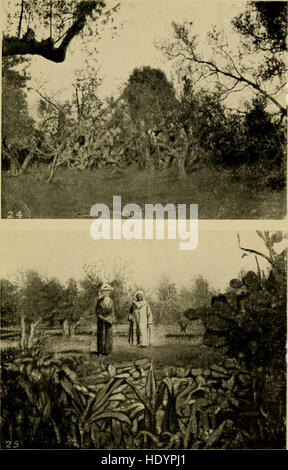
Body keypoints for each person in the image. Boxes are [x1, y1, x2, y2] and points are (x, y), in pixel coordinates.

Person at [95, 283, 115, 355]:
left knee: (109, 336)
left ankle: (108, 351)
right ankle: (100, 351)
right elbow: (98, 313)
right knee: (101, 336)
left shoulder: (111, 301)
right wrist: (104, 319)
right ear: (102, 292)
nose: (106, 292)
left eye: (107, 291)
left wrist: (111, 319)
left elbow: (112, 312)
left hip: (109, 321)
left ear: (109, 292)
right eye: (104, 291)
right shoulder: (99, 301)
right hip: (101, 321)